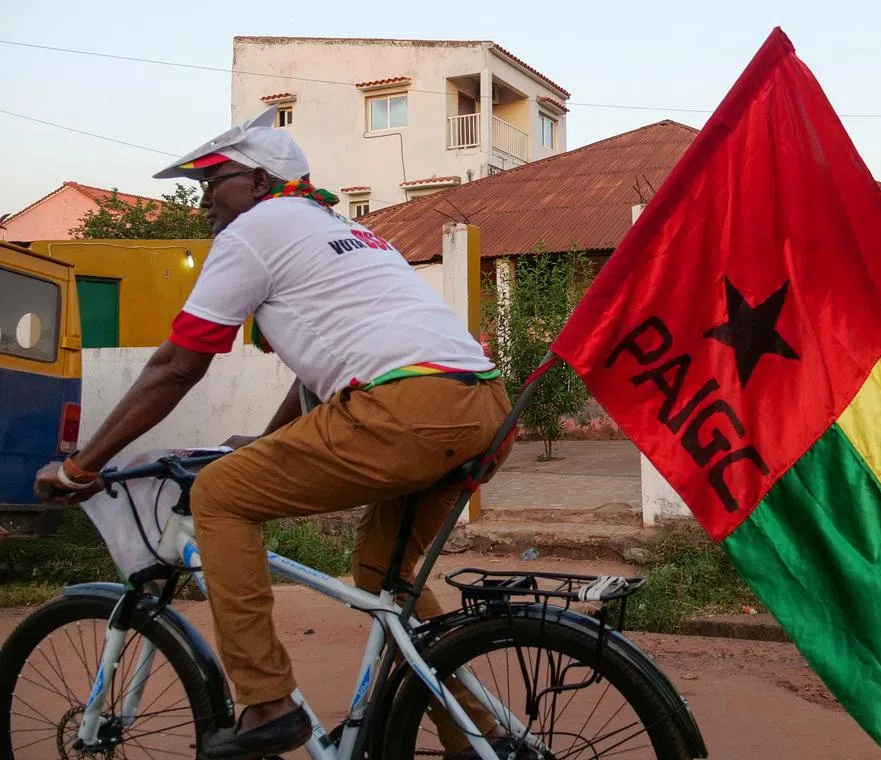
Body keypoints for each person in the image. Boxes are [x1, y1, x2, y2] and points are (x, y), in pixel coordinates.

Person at [34, 107, 523, 760]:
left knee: (220, 497)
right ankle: (475, 735)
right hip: (483, 408)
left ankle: (267, 701)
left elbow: (178, 365)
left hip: (408, 410)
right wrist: (265, 445)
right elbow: (314, 379)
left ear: (260, 182)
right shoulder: (337, 229)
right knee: (381, 574)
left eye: (217, 179)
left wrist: (81, 465)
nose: (205, 194)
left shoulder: (257, 231)